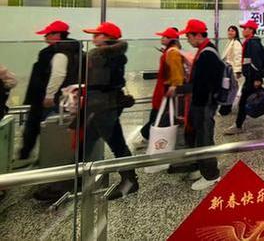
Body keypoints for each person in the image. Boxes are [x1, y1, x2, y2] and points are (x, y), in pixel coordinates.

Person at [82, 21, 137, 200]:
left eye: (96, 35)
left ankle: (130, 181)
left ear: (107, 38)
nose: (93, 38)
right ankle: (70, 179)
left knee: (116, 144)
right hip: (104, 106)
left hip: (102, 108)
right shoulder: (111, 56)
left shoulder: (101, 58)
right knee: (87, 142)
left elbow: (99, 86)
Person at [19, 20, 83, 162]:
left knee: (34, 127)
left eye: (48, 34)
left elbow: (57, 75)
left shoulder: (55, 53)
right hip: (66, 98)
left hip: (46, 98)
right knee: (54, 128)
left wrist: (49, 95)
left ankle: (27, 157)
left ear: (57, 35)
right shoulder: (76, 51)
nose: (45, 37)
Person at [179, 19, 223, 190]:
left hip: (204, 103)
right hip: (201, 102)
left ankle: (212, 175)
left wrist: (181, 88)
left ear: (198, 35)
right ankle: (202, 167)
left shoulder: (207, 54)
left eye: (189, 36)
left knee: (205, 138)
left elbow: (204, 84)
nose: (187, 39)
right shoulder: (204, 51)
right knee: (199, 136)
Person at [135, 27, 184, 148]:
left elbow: (177, 72)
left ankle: (147, 136)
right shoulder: (171, 51)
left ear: (171, 39)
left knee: (157, 114)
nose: (161, 39)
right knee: (158, 114)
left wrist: (174, 85)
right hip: (162, 88)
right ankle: (150, 136)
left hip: (164, 90)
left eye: (164, 37)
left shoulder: (172, 52)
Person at [224, 20, 264, 135]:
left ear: (251, 30)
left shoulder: (252, 43)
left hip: (252, 78)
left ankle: (238, 125)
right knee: (260, 98)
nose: (243, 30)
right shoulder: (249, 42)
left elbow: (256, 62)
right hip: (250, 77)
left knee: (243, 102)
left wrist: (257, 78)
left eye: (245, 28)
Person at [218, 25, 243, 116]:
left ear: (236, 33)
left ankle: (226, 107)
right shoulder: (230, 42)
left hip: (232, 69)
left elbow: (238, 57)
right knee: (228, 88)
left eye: (232, 31)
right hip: (228, 68)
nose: (230, 32)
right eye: (229, 31)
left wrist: (238, 71)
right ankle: (226, 107)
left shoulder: (236, 43)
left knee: (232, 88)